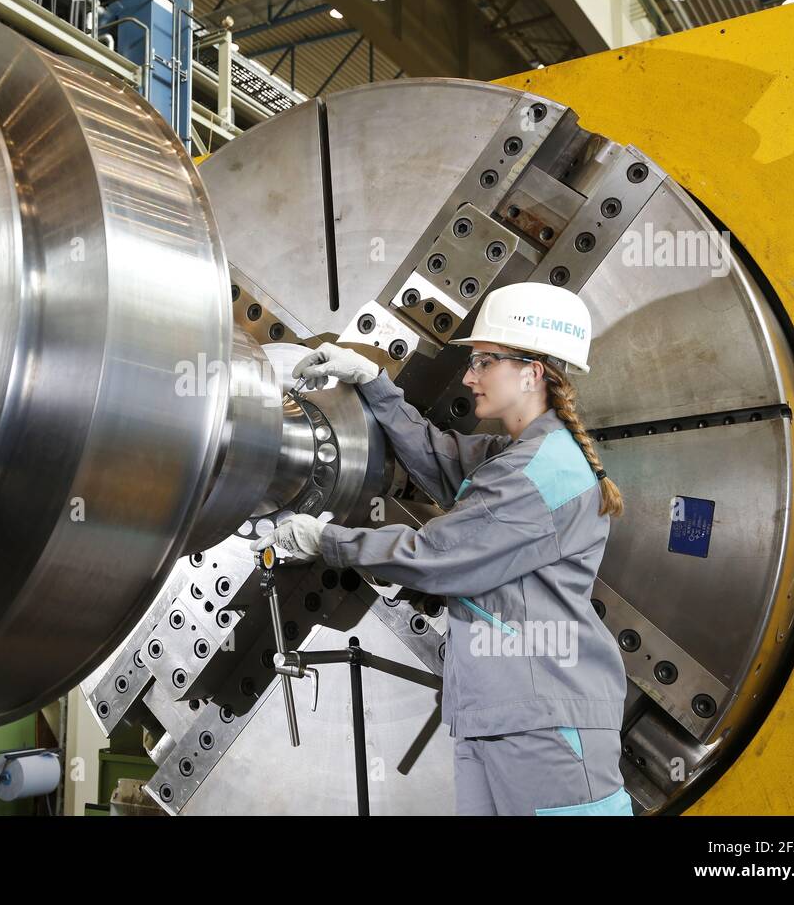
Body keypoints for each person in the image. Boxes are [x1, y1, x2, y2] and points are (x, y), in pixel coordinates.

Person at [252, 282, 632, 815]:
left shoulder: (539, 473)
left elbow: (439, 556)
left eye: (484, 361)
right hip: (498, 714)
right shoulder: (523, 455)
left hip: (547, 721)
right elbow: (442, 459)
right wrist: (373, 383)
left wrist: (326, 539)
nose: (470, 376)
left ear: (532, 371)